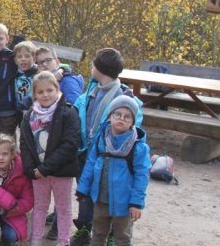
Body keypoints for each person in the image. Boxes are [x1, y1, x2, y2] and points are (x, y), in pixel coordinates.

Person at [71, 48, 143, 246]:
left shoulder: (123, 97)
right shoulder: (91, 92)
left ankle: (112, 233)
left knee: (109, 194)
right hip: (88, 153)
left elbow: (132, 129)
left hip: (110, 154)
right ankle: (85, 228)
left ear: (100, 69)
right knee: (86, 194)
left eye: (94, 64)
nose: (91, 67)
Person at [76, 96, 151, 246]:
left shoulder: (138, 147)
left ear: (133, 121)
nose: (121, 119)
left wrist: (136, 203)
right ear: (110, 115)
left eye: (127, 116)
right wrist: (82, 189)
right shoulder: (101, 139)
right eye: (117, 114)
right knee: (98, 235)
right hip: (100, 199)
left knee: (122, 238)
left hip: (124, 203)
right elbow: (90, 164)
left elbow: (142, 176)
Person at [19, 72, 80, 246]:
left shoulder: (68, 112)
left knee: (63, 208)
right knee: (39, 207)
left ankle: (63, 241)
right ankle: (36, 239)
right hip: (38, 173)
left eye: (49, 90)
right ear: (34, 94)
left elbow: (70, 144)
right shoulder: (29, 116)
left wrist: (45, 169)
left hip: (61, 171)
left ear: (57, 89)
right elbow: (25, 144)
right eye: (40, 92)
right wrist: (30, 170)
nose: (45, 95)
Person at [13, 41, 38, 112]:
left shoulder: (38, 73)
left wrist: (63, 69)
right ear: (15, 61)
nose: (23, 59)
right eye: (19, 57)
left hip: (35, 112)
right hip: (19, 111)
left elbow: (56, 68)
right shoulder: (14, 74)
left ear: (34, 59)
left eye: (27, 56)